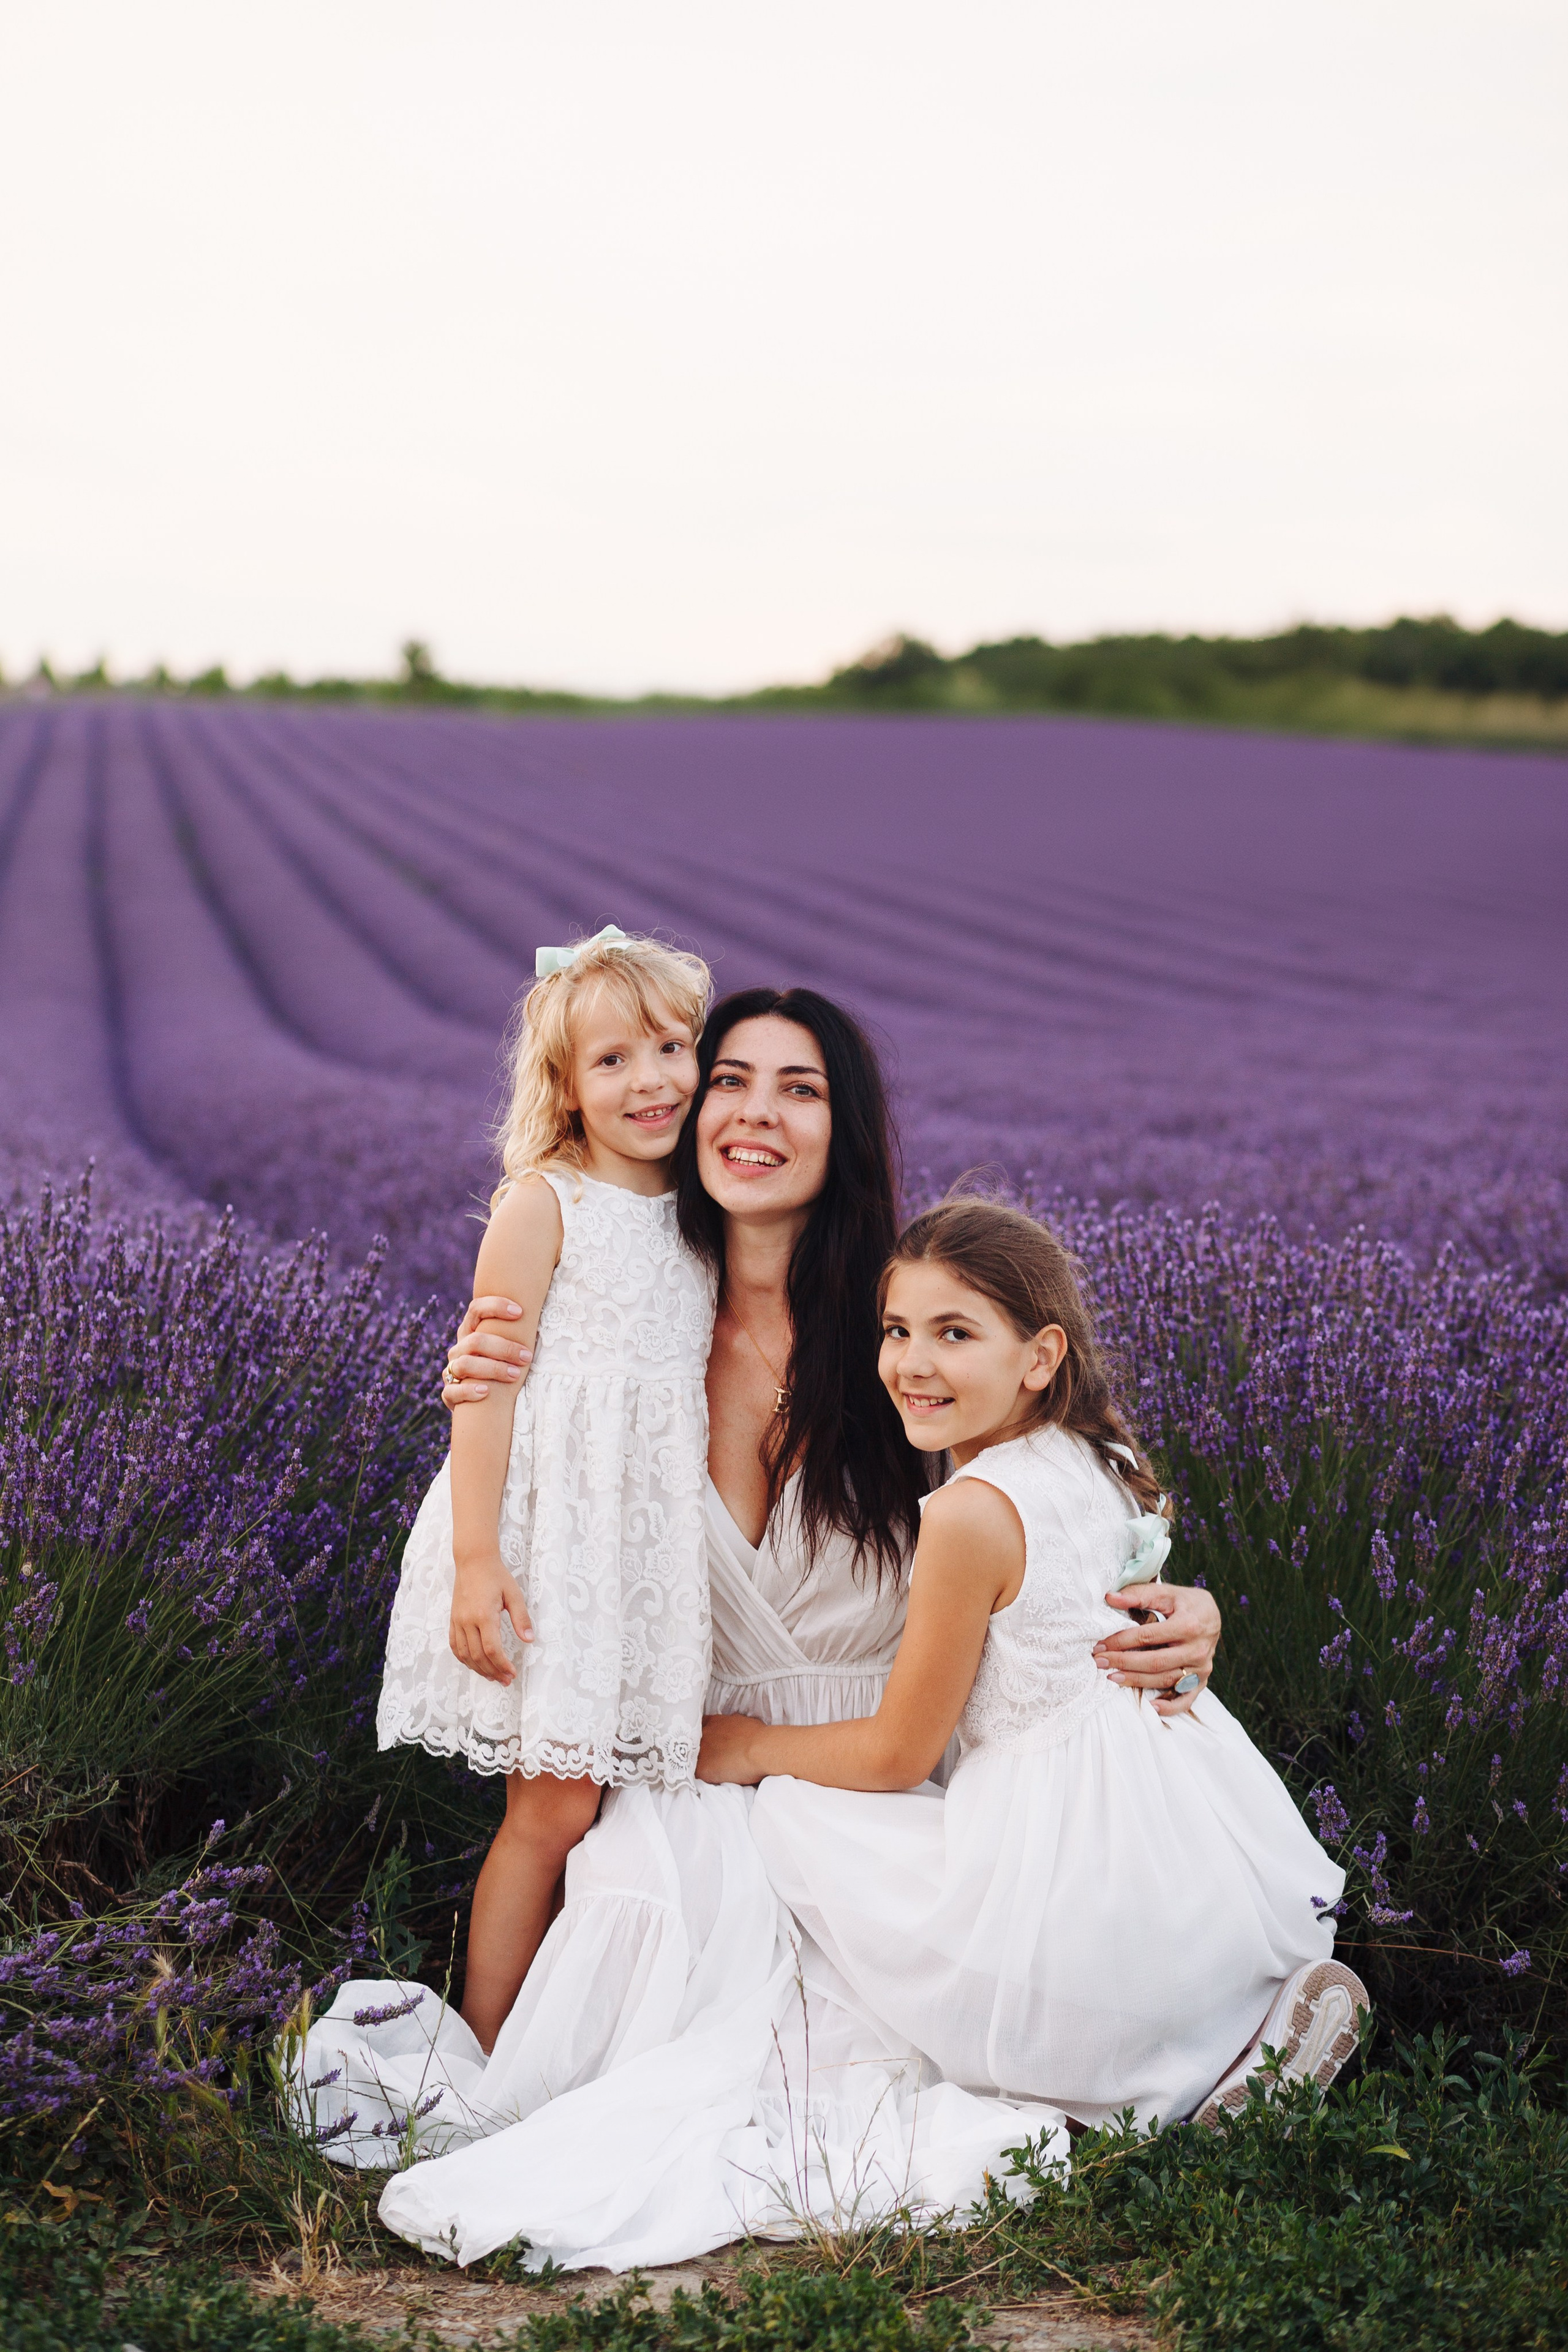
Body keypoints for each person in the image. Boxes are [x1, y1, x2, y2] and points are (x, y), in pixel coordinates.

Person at [291, 990, 1226, 2268]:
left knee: (873, 2048)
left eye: (800, 1090)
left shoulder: (904, 1325)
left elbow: (1074, 1478)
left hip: (872, 1779)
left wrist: (1182, 1598)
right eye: (729, 1078)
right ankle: (502, 2087)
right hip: (683, 1775)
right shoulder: (615, 1310)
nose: (753, 1114)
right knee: (645, 1942)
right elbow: (505, 1421)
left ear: (845, 1129)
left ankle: (1214, 2037)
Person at [702, 1197, 1369, 2131]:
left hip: (1059, 1870)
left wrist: (748, 1746)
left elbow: (899, 1753)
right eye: (897, 1330)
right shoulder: (1104, 1455)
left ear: (1040, 1356)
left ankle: (1162, 2065)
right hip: (1177, 1837)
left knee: (798, 1813)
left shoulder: (971, 1515)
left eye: (954, 1333)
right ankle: (1234, 2021)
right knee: (1147, 1948)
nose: (912, 1362)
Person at [375, 925, 714, 2049]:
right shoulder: (545, 1204)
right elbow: (485, 1388)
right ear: (564, 1087)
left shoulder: (706, 1211)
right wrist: (480, 1562)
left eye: (672, 1047)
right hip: (555, 1541)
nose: (651, 1080)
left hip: (653, 1543)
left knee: (630, 1803)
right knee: (554, 1804)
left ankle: (584, 2035)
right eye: (612, 1061)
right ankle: (486, 2050)